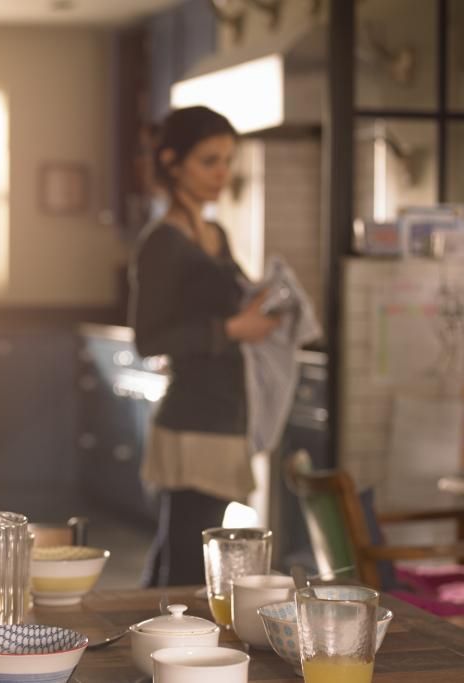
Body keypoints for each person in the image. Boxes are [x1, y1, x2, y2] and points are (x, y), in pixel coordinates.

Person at [132, 106, 279, 587]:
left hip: (225, 416)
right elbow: (149, 338)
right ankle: (171, 653)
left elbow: (225, 305)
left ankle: (150, 647)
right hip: (193, 421)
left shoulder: (215, 234)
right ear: (173, 162)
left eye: (227, 160)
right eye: (209, 161)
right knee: (187, 561)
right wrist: (233, 329)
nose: (223, 173)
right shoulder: (162, 242)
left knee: (179, 550)